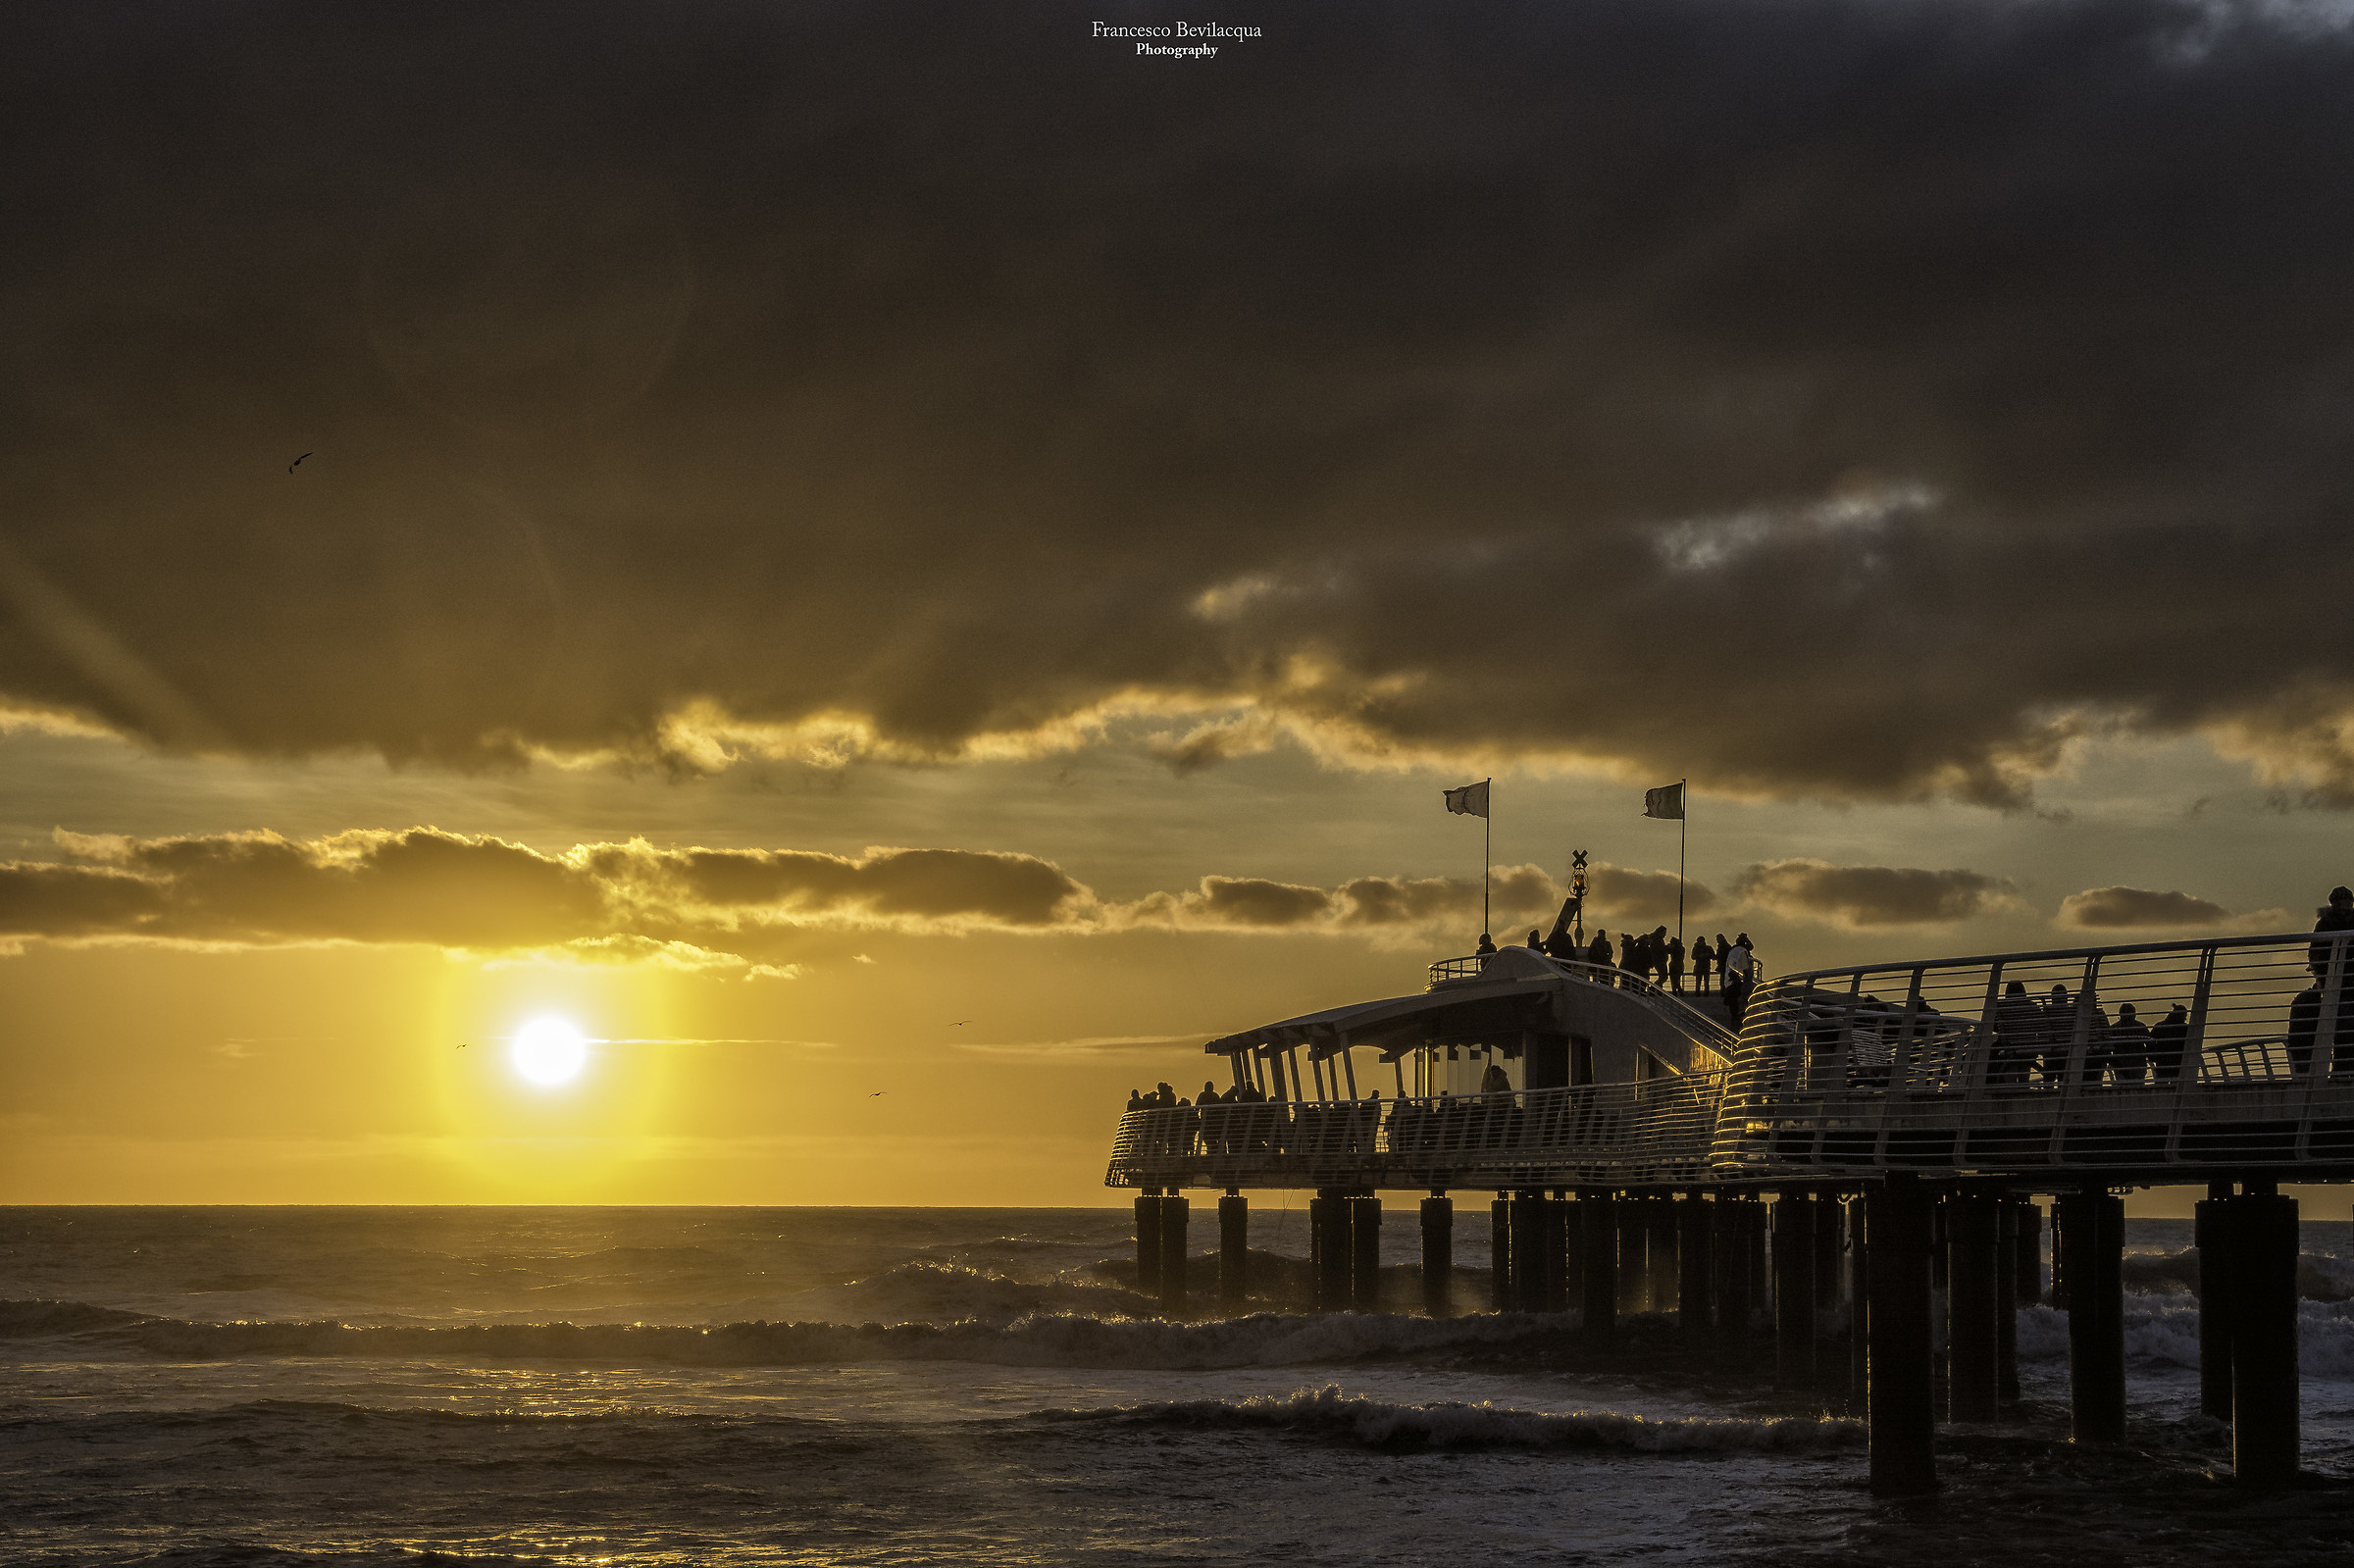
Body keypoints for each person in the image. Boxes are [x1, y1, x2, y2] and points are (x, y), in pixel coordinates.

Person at [2104, 1003, 2152, 1086]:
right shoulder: (2140, 1027)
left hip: (2120, 1064)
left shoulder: (2113, 1029)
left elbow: (2107, 1047)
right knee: (2138, 1089)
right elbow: (2150, 1043)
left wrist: (2113, 1062)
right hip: (2138, 1064)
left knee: (2122, 1089)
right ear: (2134, 1014)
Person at [2313, 885, 2354, 977]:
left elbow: (2315, 953)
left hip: (2330, 973)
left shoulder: (2324, 923)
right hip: (2331, 972)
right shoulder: (2324, 923)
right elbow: (2315, 953)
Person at [2149, 1002, 2190, 1082]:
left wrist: (2153, 1056)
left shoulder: (2159, 1026)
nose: (2185, 1019)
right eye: (2185, 1016)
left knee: (2161, 1088)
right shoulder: (2185, 1029)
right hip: (2179, 1064)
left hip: (2162, 1064)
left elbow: (2150, 1041)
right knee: (2177, 1087)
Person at [1722, 935, 1758, 1026]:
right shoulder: (1742, 951)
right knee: (1740, 1000)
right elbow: (1751, 947)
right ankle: (1739, 1016)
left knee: (1734, 1002)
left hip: (1737, 982)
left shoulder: (1735, 951)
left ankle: (1738, 1016)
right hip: (1741, 982)